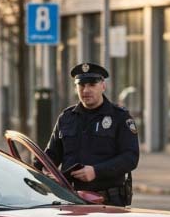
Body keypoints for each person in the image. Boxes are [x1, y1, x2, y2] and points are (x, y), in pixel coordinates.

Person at [45, 62, 139, 207]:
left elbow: (130, 158)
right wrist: (42, 170)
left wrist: (96, 171)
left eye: (92, 85)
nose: (86, 90)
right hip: (71, 201)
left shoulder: (119, 117)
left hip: (108, 202)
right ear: (76, 88)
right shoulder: (66, 118)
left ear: (103, 86)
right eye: (81, 85)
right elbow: (51, 156)